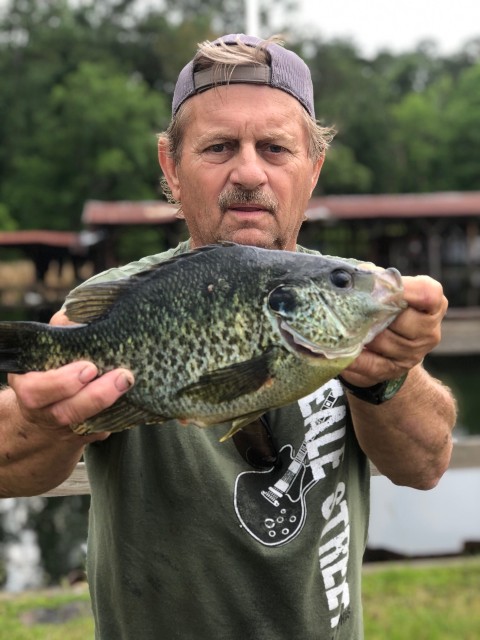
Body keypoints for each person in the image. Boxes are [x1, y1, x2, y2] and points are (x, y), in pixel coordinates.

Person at [0, 34, 456, 639]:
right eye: (219, 147)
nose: (248, 172)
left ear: (312, 168)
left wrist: (391, 374)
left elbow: (427, 464)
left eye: (274, 148)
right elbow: (11, 466)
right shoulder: (114, 304)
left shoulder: (347, 300)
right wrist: (46, 421)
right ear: (171, 166)